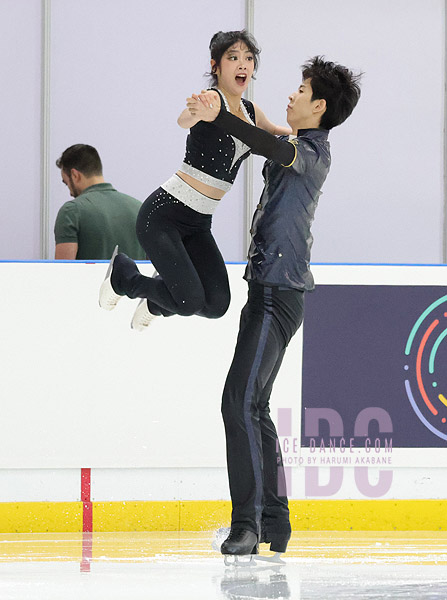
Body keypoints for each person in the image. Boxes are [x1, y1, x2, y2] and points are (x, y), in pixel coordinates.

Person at [189, 56, 362, 559]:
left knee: (236, 402)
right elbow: (264, 129)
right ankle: (274, 522)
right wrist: (228, 104)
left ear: (320, 106)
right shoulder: (299, 143)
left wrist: (217, 116)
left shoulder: (310, 152)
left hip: (276, 294)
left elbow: (265, 142)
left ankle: (246, 524)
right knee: (252, 405)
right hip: (267, 290)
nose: (292, 95)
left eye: (302, 89)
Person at [99, 30, 291, 331]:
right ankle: (124, 277)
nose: (243, 64)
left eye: (249, 58)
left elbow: (279, 134)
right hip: (163, 215)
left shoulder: (252, 112)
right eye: (233, 57)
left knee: (216, 304)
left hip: (198, 223)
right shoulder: (211, 100)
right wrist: (197, 113)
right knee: (188, 300)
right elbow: (184, 120)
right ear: (216, 66)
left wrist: (307, 133)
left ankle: (155, 301)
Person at [54, 144, 145, 260]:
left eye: (67, 184)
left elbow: (62, 271)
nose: (70, 193)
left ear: (75, 175)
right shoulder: (139, 208)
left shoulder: (71, 211)